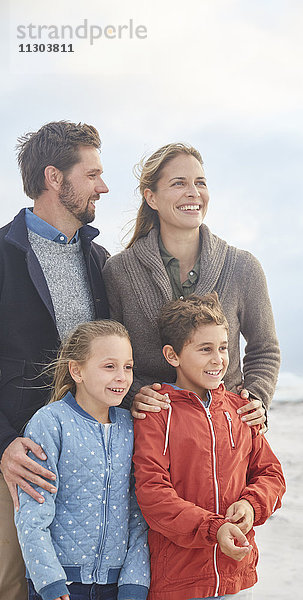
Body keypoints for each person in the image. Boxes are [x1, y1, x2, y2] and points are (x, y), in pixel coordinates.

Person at [0, 121, 109, 600]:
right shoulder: (2, 256)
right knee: (10, 583)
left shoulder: (100, 260)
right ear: (53, 177)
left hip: (90, 457)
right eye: (92, 175)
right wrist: (4, 445)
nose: (103, 187)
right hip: (21, 459)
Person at [103, 143, 280, 431]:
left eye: (200, 182)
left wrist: (256, 399)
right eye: (179, 183)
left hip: (226, 433)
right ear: (151, 197)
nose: (194, 192)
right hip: (151, 433)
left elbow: (265, 349)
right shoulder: (120, 270)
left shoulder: (243, 267)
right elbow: (108, 355)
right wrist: (133, 394)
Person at [133, 293, 285, 600]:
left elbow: (271, 476)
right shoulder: (157, 413)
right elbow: (152, 494)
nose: (218, 359)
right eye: (205, 349)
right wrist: (213, 528)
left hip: (237, 576)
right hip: (179, 581)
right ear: (172, 355)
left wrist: (250, 505)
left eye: (223, 348)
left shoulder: (241, 409)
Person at [15, 320, 150, 600]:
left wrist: (135, 585)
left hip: (116, 588)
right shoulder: (50, 423)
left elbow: (139, 513)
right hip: (59, 586)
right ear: (76, 370)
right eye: (109, 366)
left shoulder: (133, 427)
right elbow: (32, 513)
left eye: (128, 367)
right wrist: (49, 582)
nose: (122, 377)